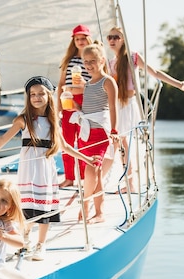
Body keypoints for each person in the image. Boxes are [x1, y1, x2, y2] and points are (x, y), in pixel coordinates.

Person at [0, 76, 100, 261]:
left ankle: (41, 244)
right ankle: (25, 239)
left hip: (45, 171)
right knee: (27, 208)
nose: (36, 97)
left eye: (40, 94)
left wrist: (86, 158)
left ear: (49, 96)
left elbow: (66, 147)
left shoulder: (53, 121)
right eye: (32, 94)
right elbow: (3, 139)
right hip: (28, 171)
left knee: (44, 209)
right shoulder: (24, 119)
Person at [103, 26, 184, 192]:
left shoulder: (133, 57)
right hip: (116, 106)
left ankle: (129, 183)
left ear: (123, 39)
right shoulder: (110, 63)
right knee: (121, 144)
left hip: (128, 105)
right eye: (110, 38)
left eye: (116, 37)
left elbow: (155, 72)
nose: (112, 40)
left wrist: (178, 84)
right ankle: (128, 182)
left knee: (123, 143)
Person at [69, 43, 119, 223]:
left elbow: (113, 107)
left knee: (92, 171)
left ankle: (89, 207)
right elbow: (88, 108)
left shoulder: (108, 81)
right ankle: (97, 211)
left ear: (102, 61)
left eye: (93, 61)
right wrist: (77, 107)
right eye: (86, 62)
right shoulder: (88, 84)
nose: (89, 65)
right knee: (93, 174)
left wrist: (114, 130)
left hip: (100, 134)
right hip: (86, 134)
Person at [57, 24, 94, 187]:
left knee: (84, 139)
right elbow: (60, 84)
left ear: (88, 39)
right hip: (68, 99)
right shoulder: (68, 60)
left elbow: (98, 81)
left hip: (85, 100)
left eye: (83, 38)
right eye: (77, 39)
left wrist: (85, 83)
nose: (80, 41)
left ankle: (85, 178)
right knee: (67, 139)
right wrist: (58, 107)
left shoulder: (93, 59)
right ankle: (69, 177)